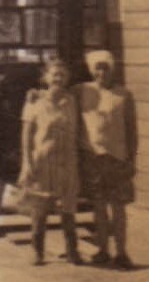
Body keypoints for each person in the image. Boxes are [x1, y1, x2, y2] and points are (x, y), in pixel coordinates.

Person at [18, 56, 82, 265]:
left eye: (63, 75)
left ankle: (72, 251)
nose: (59, 78)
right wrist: (27, 164)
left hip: (67, 162)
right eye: (55, 74)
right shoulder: (34, 103)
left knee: (68, 209)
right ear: (46, 77)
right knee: (40, 210)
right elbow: (26, 136)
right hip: (42, 162)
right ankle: (37, 252)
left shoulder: (72, 100)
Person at [76, 49, 138, 269]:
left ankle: (121, 252)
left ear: (112, 70)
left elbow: (132, 130)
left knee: (118, 207)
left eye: (105, 68)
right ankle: (103, 250)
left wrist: (131, 159)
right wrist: (36, 94)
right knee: (99, 207)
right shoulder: (82, 91)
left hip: (117, 158)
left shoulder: (124, 95)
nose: (101, 73)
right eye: (97, 68)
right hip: (93, 158)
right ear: (92, 71)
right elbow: (57, 96)